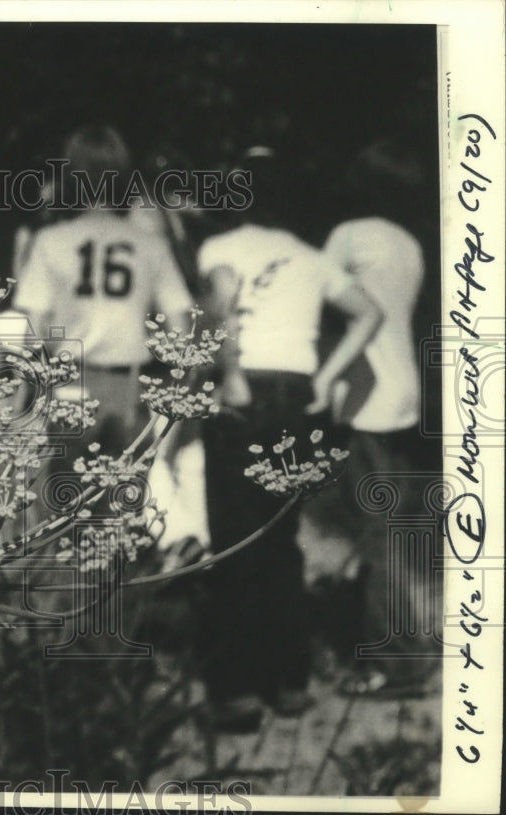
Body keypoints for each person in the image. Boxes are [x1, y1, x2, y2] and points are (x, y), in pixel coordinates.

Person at [195, 147, 382, 731]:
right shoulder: (309, 256)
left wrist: (228, 376)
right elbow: (368, 313)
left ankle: (236, 690)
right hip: (298, 393)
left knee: (233, 539)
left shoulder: (219, 249)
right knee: (280, 539)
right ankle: (289, 679)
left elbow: (219, 313)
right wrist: (328, 376)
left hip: (245, 385)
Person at [316, 153, 433, 697]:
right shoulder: (408, 242)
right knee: (390, 531)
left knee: (378, 533)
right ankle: (397, 643)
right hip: (404, 390)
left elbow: (317, 296)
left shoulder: (347, 235)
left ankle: (399, 661)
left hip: (367, 396)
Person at [13, 125, 193, 462]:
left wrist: (25, 405)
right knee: (123, 505)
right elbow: (182, 334)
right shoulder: (152, 246)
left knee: (65, 504)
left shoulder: (50, 242)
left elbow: (33, 334)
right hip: (129, 390)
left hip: (69, 383)